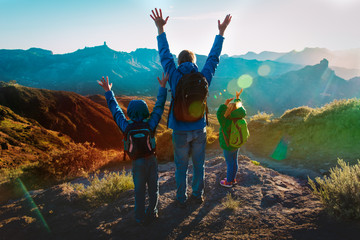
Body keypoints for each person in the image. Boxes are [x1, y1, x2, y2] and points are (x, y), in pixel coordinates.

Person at [150, 8, 232, 207]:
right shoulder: (203, 76)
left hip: (179, 130)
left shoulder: (175, 75)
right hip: (199, 128)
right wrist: (221, 33)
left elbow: (164, 55)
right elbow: (214, 58)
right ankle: (197, 195)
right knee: (198, 165)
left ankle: (180, 198)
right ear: (194, 62)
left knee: (180, 167)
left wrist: (160, 29)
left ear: (179, 62)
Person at [97, 73, 168, 224]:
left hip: (137, 162)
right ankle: (153, 212)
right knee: (153, 189)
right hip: (151, 160)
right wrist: (162, 87)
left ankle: (139, 217)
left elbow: (115, 110)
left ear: (129, 112)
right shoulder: (150, 124)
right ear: (145, 111)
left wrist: (108, 92)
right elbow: (159, 107)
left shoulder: (126, 126)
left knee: (139, 191)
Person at [216, 89, 246, 187]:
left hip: (228, 145)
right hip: (236, 144)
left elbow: (219, 113)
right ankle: (232, 179)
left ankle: (228, 182)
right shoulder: (239, 119)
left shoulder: (226, 122)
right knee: (234, 162)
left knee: (229, 163)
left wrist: (225, 103)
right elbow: (240, 108)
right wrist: (237, 99)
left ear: (228, 110)